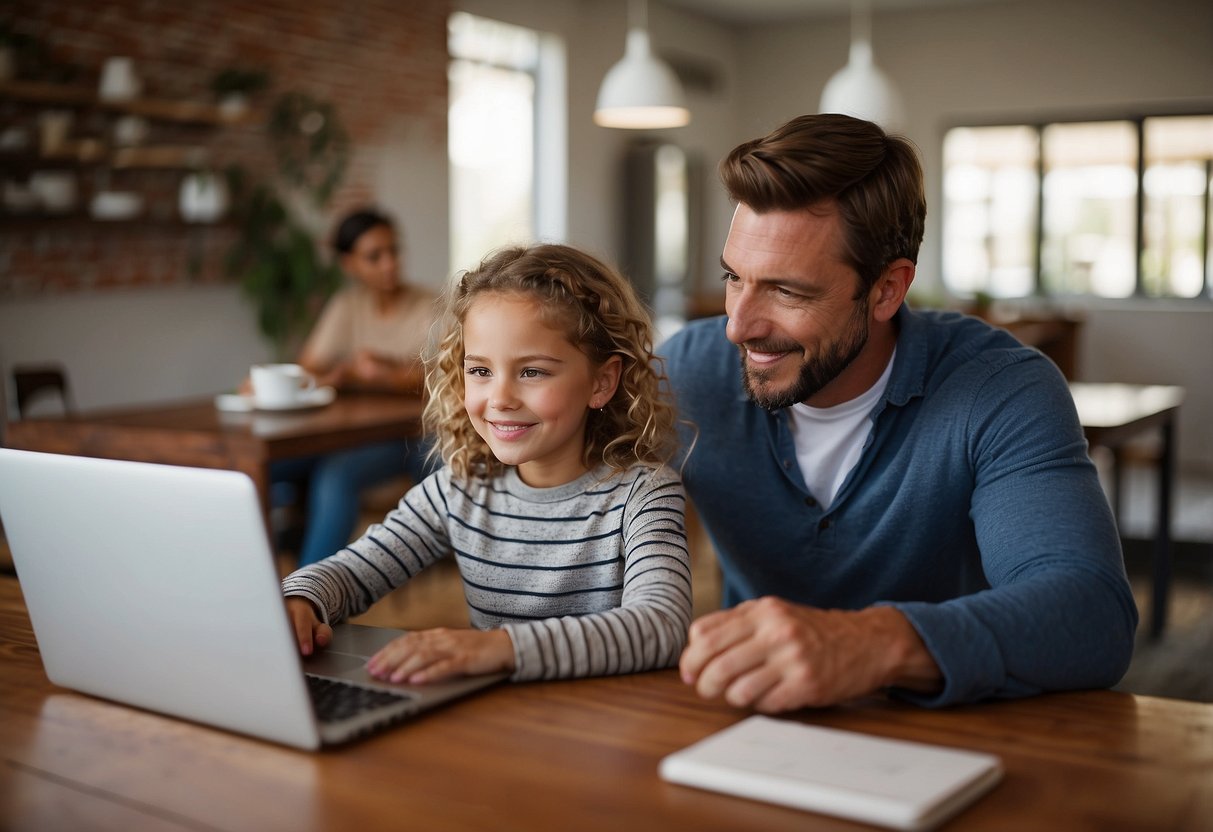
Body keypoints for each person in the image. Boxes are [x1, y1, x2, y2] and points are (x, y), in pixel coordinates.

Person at [661, 114, 1137, 711]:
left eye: (787, 291)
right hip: (753, 721)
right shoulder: (687, 372)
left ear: (888, 289)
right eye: (735, 277)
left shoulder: (1001, 389)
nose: (738, 326)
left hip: (959, 731)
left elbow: (1092, 615)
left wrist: (868, 643)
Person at [282, 243, 691, 684]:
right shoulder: (459, 489)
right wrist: (301, 600)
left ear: (602, 381)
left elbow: (662, 625)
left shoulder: (644, 494)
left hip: (604, 731)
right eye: (480, 371)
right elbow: (352, 571)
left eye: (532, 372)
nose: (500, 399)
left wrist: (500, 648)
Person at [271, 208, 438, 567]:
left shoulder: (429, 306)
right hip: (345, 434)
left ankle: (309, 600)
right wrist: (334, 374)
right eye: (374, 256)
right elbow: (308, 366)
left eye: (394, 251)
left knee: (336, 475)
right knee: (259, 468)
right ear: (349, 264)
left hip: (406, 436)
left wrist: (386, 373)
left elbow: (442, 376)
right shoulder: (347, 306)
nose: (390, 263)